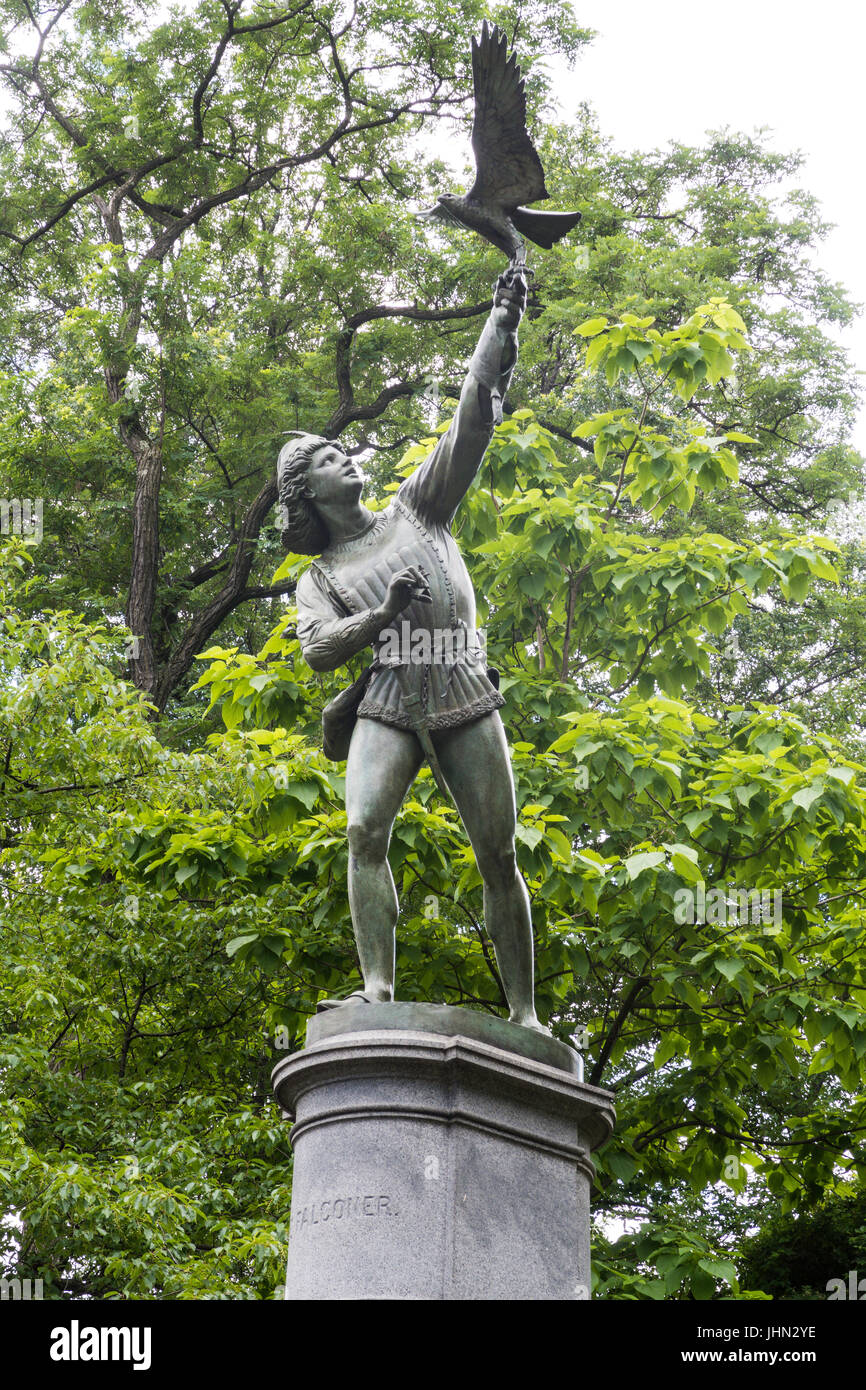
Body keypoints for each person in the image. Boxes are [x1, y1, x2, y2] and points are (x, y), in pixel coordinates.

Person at [279, 266, 547, 1032]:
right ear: (308, 492)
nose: (349, 459)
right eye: (330, 458)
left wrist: (501, 325)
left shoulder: (418, 509)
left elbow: (470, 422)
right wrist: (383, 616)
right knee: (363, 830)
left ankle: (525, 1014)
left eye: (345, 452)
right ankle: (377, 991)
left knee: (498, 854)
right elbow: (320, 650)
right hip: (388, 700)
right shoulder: (321, 576)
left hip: (463, 686)